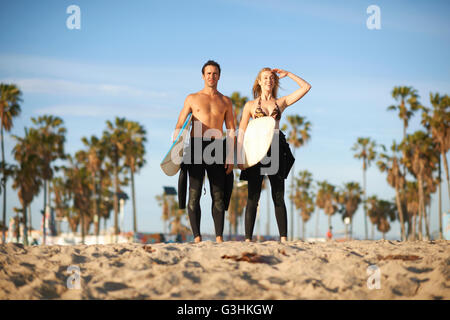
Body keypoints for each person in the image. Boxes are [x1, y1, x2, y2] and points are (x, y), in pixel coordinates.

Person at [237, 68, 311, 242]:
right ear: (259, 82)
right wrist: (239, 156)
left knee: (278, 195)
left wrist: (289, 74)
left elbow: (306, 87)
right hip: (255, 150)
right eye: (265, 78)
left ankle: (284, 239)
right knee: (252, 197)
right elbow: (241, 131)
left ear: (274, 82)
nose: (269, 80)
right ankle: (248, 239)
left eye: (271, 78)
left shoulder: (281, 102)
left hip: (276, 149)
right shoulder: (250, 105)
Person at [173, 60, 235, 243]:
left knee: (218, 195)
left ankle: (219, 238)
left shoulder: (225, 101)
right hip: (196, 146)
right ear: (203, 76)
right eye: (208, 73)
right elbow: (179, 124)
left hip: (216, 147)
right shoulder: (192, 98)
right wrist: (176, 146)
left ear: (219, 76)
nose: (211, 76)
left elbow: (231, 129)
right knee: (194, 194)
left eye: (215, 73)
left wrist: (231, 155)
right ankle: (197, 237)